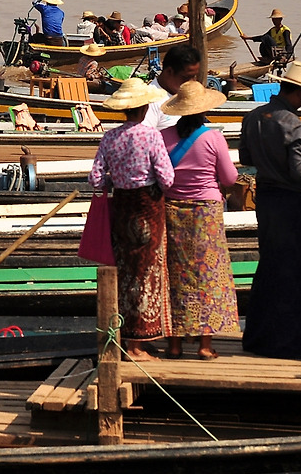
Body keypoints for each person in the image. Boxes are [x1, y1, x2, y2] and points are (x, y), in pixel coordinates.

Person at [239, 61, 301, 359]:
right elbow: (299, 172)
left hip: (265, 199)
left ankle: (260, 335)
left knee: (271, 264)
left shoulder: (253, 117)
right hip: (291, 201)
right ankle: (289, 339)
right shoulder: (292, 124)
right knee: (297, 269)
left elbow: (246, 157)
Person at [89, 78, 174, 361]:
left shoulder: (110, 137)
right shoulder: (151, 136)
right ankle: (137, 344)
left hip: (122, 207)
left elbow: (95, 178)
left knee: (126, 271)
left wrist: (116, 181)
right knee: (147, 272)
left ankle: (128, 338)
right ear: (145, 107)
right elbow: (167, 178)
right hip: (148, 206)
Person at [159, 81, 239, 360]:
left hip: (172, 210)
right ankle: (205, 345)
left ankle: (174, 345)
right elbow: (230, 178)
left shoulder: (163, 136)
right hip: (206, 215)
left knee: (174, 275)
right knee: (208, 276)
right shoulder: (214, 138)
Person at [144, 45, 203, 131]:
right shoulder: (150, 101)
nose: (192, 82)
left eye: (194, 76)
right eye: (186, 77)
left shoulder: (189, 94)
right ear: (169, 72)